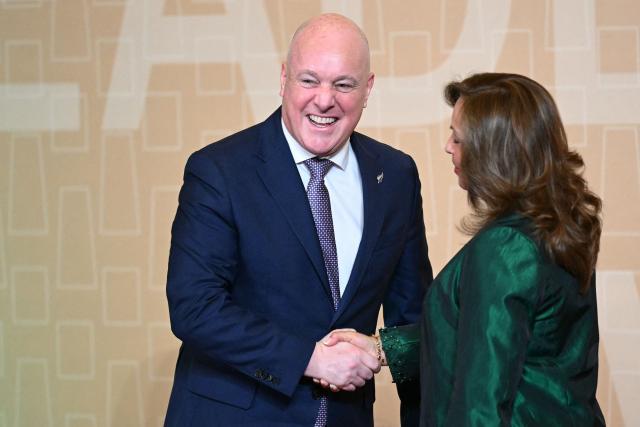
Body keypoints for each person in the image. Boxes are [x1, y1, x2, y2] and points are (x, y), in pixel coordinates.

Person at [163, 13, 433, 427]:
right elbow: (195, 308)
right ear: (284, 78)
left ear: (368, 89)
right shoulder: (220, 170)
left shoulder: (395, 175)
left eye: (343, 84)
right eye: (309, 80)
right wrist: (310, 359)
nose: (324, 100)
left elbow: (415, 322)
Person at [325, 72, 605, 426]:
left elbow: (481, 406)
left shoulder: (505, 249)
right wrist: (383, 349)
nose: (447, 146)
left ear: (492, 150)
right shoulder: (561, 228)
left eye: (458, 137)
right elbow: (513, 344)